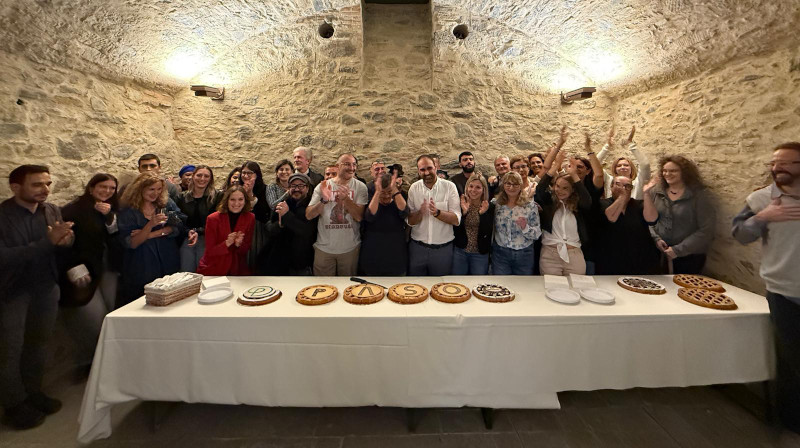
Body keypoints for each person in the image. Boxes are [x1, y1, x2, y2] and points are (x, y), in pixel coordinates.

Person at [732, 142, 800, 434]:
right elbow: (739, 233)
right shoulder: (761, 199)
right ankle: (792, 422)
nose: (777, 168)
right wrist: (762, 218)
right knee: (792, 360)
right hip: (785, 292)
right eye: (774, 163)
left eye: (786, 163)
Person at [0, 165, 73, 429]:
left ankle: (33, 393)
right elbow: (4, 257)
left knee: (38, 344)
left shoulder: (50, 210)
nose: (45, 189)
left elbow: (62, 243)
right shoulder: (3, 216)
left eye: (47, 184)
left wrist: (66, 240)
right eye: (37, 184)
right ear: (16, 187)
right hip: (12, 291)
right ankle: (14, 404)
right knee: (10, 350)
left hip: (45, 287)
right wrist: (48, 242)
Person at [58, 173, 122, 378]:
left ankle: (110, 362)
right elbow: (62, 243)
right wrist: (73, 266)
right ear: (91, 188)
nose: (107, 191)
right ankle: (91, 364)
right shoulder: (73, 210)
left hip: (108, 268)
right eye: (103, 187)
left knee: (111, 313)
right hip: (84, 270)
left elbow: (114, 237)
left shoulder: (111, 208)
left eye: (112, 188)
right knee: (93, 319)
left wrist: (110, 217)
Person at [117, 172, 186, 307]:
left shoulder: (166, 204)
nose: (156, 193)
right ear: (140, 188)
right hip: (142, 264)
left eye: (159, 189)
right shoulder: (129, 211)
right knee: (143, 304)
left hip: (167, 259)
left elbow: (177, 227)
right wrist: (150, 225)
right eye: (151, 189)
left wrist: (148, 234)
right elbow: (133, 243)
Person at [649, 155, 715, 274]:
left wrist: (677, 250)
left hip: (689, 257)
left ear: (684, 173)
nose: (667, 174)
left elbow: (706, 230)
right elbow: (648, 220)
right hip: (658, 253)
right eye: (665, 171)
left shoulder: (699, 196)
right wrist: (656, 239)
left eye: (673, 171)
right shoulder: (656, 192)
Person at [306, 153, 368, 276]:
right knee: (323, 285)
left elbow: (359, 217)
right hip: (324, 248)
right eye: (347, 164)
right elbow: (309, 215)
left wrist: (346, 199)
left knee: (348, 285)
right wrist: (324, 200)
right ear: (338, 166)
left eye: (354, 164)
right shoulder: (323, 186)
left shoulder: (360, 187)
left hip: (350, 249)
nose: (352, 168)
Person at [535, 150, 593, 275]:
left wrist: (574, 175)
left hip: (574, 254)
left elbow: (587, 200)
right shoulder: (549, 202)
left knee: (577, 284)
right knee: (553, 285)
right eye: (557, 186)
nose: (560, 191)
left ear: (573, 190)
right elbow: (539, 190)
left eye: (565, 188)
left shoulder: (579, 205)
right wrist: (556, 165)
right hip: (550, 254)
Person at [406, 155, 461, 275]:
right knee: (415, 284)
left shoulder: (449, 187)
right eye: (422, 169)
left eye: (429, 168)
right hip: (417, 249)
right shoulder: (414, 189)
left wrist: (437, 213)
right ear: (418, 171)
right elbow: (410, 222)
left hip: (442, 251)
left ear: (436, 167)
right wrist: (420, 212)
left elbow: (456, 220)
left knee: (441, 285)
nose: (426, 172)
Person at [595, 176, 661, 275]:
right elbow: (611, 217)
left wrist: (646, 194)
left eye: (627, 186)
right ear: (611, 187)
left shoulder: (639, 204)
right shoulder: (602, 203)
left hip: (640, 259)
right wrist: (622, 197)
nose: (623, 188)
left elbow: (652, 219)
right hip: (611, 259)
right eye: (618, 184)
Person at [263, 173, 317, 275]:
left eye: (300, 186)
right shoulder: (283, 204)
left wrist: (286, 215)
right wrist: (279, 225)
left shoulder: (312, 206)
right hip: (281, 260)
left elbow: (307, 232)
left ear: (307, 188)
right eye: (293, 186)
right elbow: (268, 228)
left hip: (302, 261)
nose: (296, 189)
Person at [197, 186, 255, 276]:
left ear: (245, 201)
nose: (236, 203)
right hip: (214, 267)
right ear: (226, 200)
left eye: (240, 199)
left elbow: (245, 249)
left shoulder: (250, 217)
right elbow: (210, 251)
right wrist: (227, 243)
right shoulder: (213, 219)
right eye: (232, 199)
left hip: (237, 269)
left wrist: (239, 244)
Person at [359, 172, 409, 276]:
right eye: (383, 192)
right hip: (373, 254)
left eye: (389, 192)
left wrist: (394, 190)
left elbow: (404, 212)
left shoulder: (399, 200)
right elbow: (370, 216)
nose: (386, 196)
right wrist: (378, 192)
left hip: (396, 254)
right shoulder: (371, 202)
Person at [491, 172, 542, 275]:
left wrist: (525, 227)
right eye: (508, 184)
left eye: (515, 184)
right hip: (500, 253)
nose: (511, 187)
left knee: (522, 283)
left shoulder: (530, 206)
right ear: (503, 185)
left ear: (521, 185)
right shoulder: (496, 204)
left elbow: (537, 234)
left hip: (524, 253)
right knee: (501, 283)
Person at [175, 165, 220, 272]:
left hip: (208, 238)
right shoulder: (181, 197)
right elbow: (178, 220)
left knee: (205, 273)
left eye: (206, 176)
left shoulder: (217, 196)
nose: (202, 179)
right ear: (193, 176)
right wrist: (188, 231)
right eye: (199, 175)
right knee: (186, 272)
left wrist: (198, 231)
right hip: (187, 237)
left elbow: (217, 220)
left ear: (210, 179)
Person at [452, 173, 493, 275]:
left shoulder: (489, 206)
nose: (473, 190)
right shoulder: (460, 203)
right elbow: (455, 229)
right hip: (460, 251)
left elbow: (488, 232)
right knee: (458, 281)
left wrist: (483, 214)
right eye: (471, 186)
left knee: (478, 282)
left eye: (478, 187)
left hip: (480, 254)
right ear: (467, 187)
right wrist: (464, 213)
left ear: (483, 190)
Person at [596, 126, 651, 199]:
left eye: (626, 165)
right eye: (619, 166)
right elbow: (595, 165)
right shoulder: (609, 181)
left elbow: (645, 165)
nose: (622, 167)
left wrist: (631, 144)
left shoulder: (638, 183)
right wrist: (607, 146)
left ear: (631, 169)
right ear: (615, 169)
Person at [239, 161, 269, 269]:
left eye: (250, 173)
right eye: (244, 173)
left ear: (256, 175)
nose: (246, 176)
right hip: (241, 227)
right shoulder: (238, 188)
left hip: (258, 228)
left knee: (255, 258)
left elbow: (263, 212)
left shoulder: (264, 189)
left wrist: (250, 194)